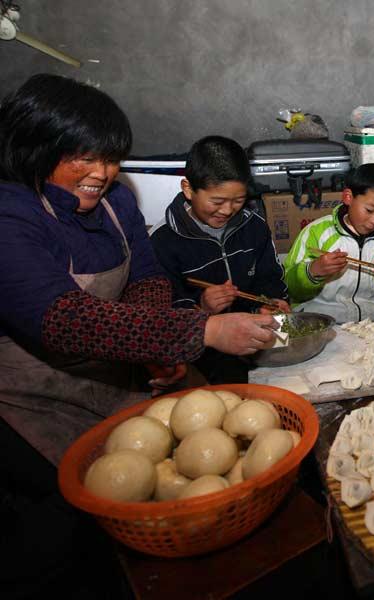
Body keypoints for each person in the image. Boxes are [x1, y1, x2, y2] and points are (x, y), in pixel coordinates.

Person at [0, 74, 276, 597]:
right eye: (84, 156)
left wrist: (157, 353)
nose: (101, 173)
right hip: (35, 393)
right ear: (37, 145)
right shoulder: (10, 214)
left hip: (122, 366)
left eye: (110, 159)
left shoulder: (114, 202)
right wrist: (202, 328)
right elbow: (65, 319)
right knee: (72, 522)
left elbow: (146, 278)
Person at [150, 135, 290, 384]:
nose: (227, 210)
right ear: (188, 189)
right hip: (199, 358)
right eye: (217, 201)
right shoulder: (162, 240)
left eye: (238, 200)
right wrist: (201, 308)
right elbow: (158, 318)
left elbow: (270, 278)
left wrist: (271, 302)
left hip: (256, 343)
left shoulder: (254, 226)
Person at [283, 163, 374, 322]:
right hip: (324, 322)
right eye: (369, 210)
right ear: (348, 197)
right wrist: (313, 271)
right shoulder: (316, 233)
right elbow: (290, 288)